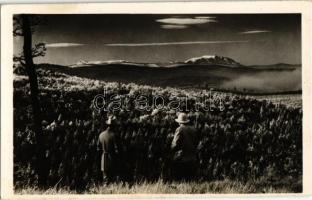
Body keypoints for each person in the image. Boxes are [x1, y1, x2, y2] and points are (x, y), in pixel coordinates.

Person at [171, 112, 198, 181]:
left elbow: (175, 144)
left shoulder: (179, 129)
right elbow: (196, 142)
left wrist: (171, 150)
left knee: (180, 178)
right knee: (190, 179)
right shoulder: (193, 129)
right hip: (192, 156)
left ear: (179, 122)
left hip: (182, 157)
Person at [97, 115, 120, 184]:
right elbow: (117, 149)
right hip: (112, 157)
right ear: (113, 126)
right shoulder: (114, 135)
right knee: (113, 176)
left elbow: (98, 148)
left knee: (105, 177)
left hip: (103, 157)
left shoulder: (101, 135)